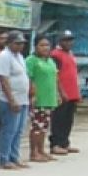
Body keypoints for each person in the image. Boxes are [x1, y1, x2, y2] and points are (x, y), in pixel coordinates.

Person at [0, 31, 31, 170]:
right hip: (10, 99)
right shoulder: (4, 57)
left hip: (23, 98)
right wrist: (11, 100)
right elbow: (3, 80)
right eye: (17, 43)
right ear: (9, 43)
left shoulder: (20, 56)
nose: (20, 46)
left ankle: (14, 157)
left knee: (19, 130)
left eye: (22, 43)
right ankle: (4, 159)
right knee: (9, 130)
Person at [26, 36, 59, 164]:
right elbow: (29, 78)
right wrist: (32, 94)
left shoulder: (50, 61)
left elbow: (55, 78)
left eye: (47, 45)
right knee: (36, 126)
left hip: (49, 98)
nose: (45, 48)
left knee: (44, 126)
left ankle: (41, 150)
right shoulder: (31, 60)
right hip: (38, 98)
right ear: (35, 46)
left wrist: (57, 94)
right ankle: (34, 152)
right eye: (42, 45)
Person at [50, 29, 82, 155]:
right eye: (66, 40)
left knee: (68, 120)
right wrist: (60, 92)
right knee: (59, 119)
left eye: (70, 40)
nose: (69, 43)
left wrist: (77, 93)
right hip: (62, 93)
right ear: (60, 41)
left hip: (72, 93)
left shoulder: (71, 54)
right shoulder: (55, 55)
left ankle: (65, 142)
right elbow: (55, 75)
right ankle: (56, 144)